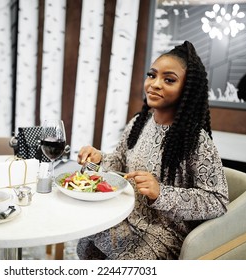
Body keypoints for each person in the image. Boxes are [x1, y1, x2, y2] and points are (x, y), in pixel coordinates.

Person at [76, 41, 229, 260]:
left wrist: (161, 192)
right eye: (152, 75)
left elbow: (218, 201)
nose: (155, 84)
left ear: (187, 90)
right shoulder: (139, 123)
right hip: (125, 215)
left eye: (169, 80)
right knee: (85, 243)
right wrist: (99, 158)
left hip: (162, 234)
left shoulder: (197, 140)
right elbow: (119, 161)